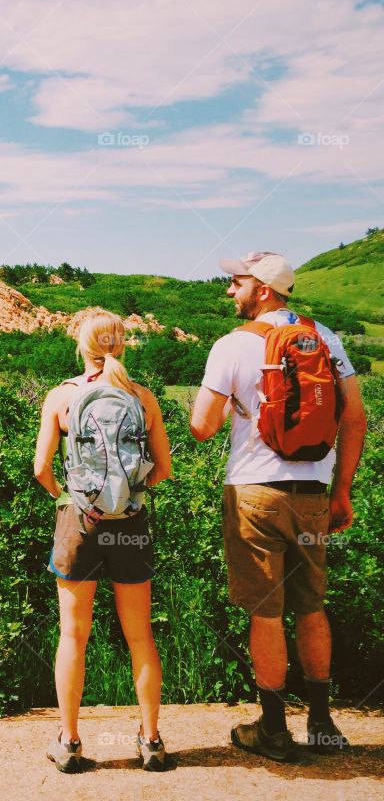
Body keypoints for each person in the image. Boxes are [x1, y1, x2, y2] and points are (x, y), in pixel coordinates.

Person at [190, 251, 367, 761]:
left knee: (267, 613)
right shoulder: (326, 339)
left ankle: (271, 729)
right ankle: (323, 723)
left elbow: (201, 427)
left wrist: (230, 405)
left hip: (255, 494)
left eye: (236, 282)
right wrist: (342, 491)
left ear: (262, 289)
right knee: (311, 605)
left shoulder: (231, 345)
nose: (229, 291)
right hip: (313, 494)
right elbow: (354, 420)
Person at [34, 309, 173, 773]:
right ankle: (151, 740)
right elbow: (164, 469)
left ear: (83, 347)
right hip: (131, 525)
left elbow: (40, 468)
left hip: (79, 521)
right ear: (123, 345)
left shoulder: (63, 396)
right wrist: (127, 498)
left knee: (74, 634)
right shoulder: (142, 397)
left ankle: (70, 741)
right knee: (140, 636)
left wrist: (71, 498)